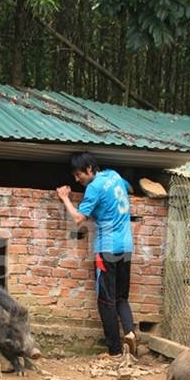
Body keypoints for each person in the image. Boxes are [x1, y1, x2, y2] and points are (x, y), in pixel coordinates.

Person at [57, 152, 138, 357]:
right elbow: (129, 187)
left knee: (105, 300)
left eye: (79, 174)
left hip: (106, 249)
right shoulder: (114, 175)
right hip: (126, 247)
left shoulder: (93, 188)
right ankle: (130, 332)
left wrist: (65, 197)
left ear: (90, 169)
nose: (77, 179)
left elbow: (78, 218)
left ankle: (115, 351)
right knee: (121, 296)